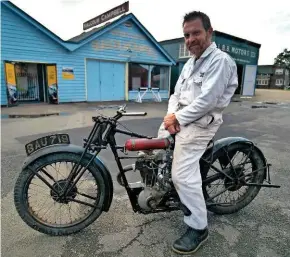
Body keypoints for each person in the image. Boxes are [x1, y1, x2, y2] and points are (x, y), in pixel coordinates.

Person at [158, 11, 238, 254]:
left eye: (196, 33)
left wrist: (177, 118)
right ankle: (170, 191)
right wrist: (170, 117)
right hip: (180, 119)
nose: (190, 39)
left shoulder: (220, 61)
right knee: (155, 152)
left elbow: (207, 100)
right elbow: (175, 95)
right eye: (186, 35)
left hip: (201, 123)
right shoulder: (190, 63)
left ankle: (198, 227)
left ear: (209, 32)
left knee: (182, 175)